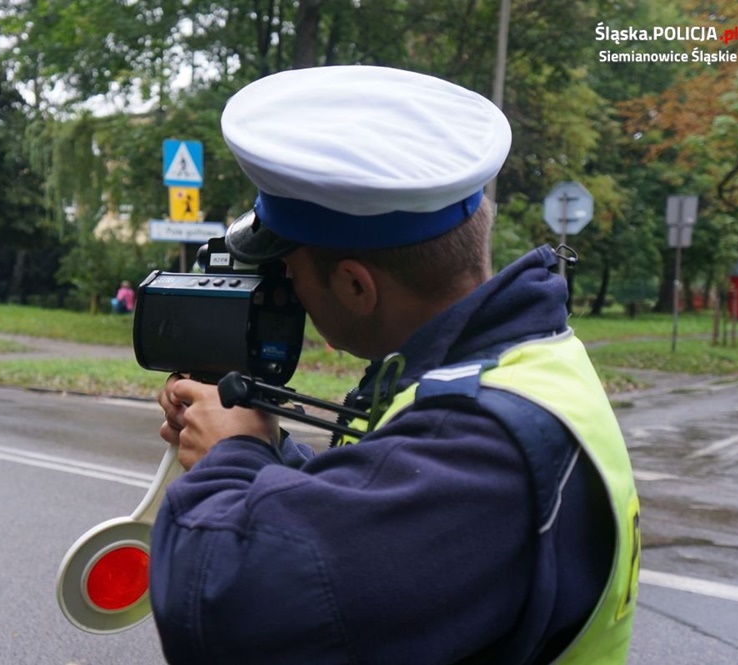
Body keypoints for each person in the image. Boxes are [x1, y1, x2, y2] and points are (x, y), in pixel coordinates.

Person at [151, 66, 640, 664]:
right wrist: (271, 451)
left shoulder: (479, 447)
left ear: (357, 287)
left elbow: (224, 609)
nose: (287, 289)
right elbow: (386, 503)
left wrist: (232, 461)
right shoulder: (524, 359)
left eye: (292, 270)